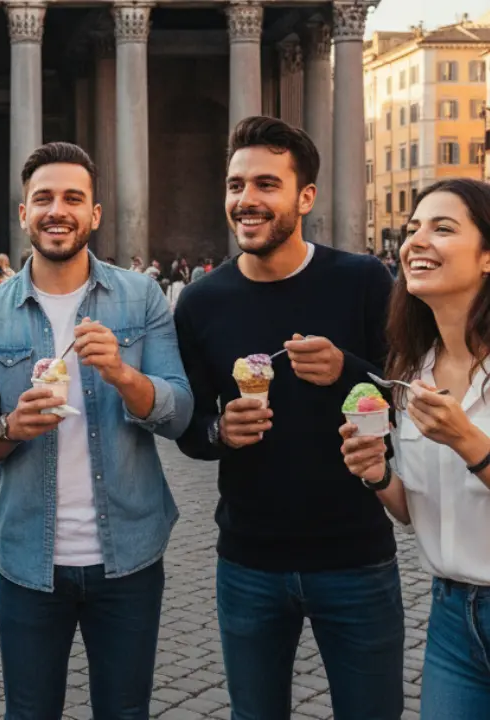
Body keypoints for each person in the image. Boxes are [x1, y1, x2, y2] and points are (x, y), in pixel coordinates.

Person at [174, 116, 404, 719]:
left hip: (355, 557)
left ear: (305, 197)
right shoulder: (201, 301)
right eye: (235, 185)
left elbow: (405, 398)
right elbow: (191, 429)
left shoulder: (362, 281)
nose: (246, 200)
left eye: (266, 185)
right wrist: (219, 432)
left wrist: (347, 369)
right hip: (248, 560)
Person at [0, 142, 192, 719]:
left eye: (72, 198)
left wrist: (121, 373)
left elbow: (180, 412)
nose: (56, 210)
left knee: (125, 712)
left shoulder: (140, 298)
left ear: (95, 214)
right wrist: (11, 426)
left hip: (130, 556)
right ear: (23, 213)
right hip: (28, 560)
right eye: (43, 198)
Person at [340, 178, 490, 718]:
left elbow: (470, 455)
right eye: (412, 229)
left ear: (488, 256)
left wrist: (469, 441)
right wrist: (378, 474)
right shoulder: (410, 370)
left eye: (442, 228)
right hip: (451, 617)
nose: (415, 241)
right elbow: (417, 511)